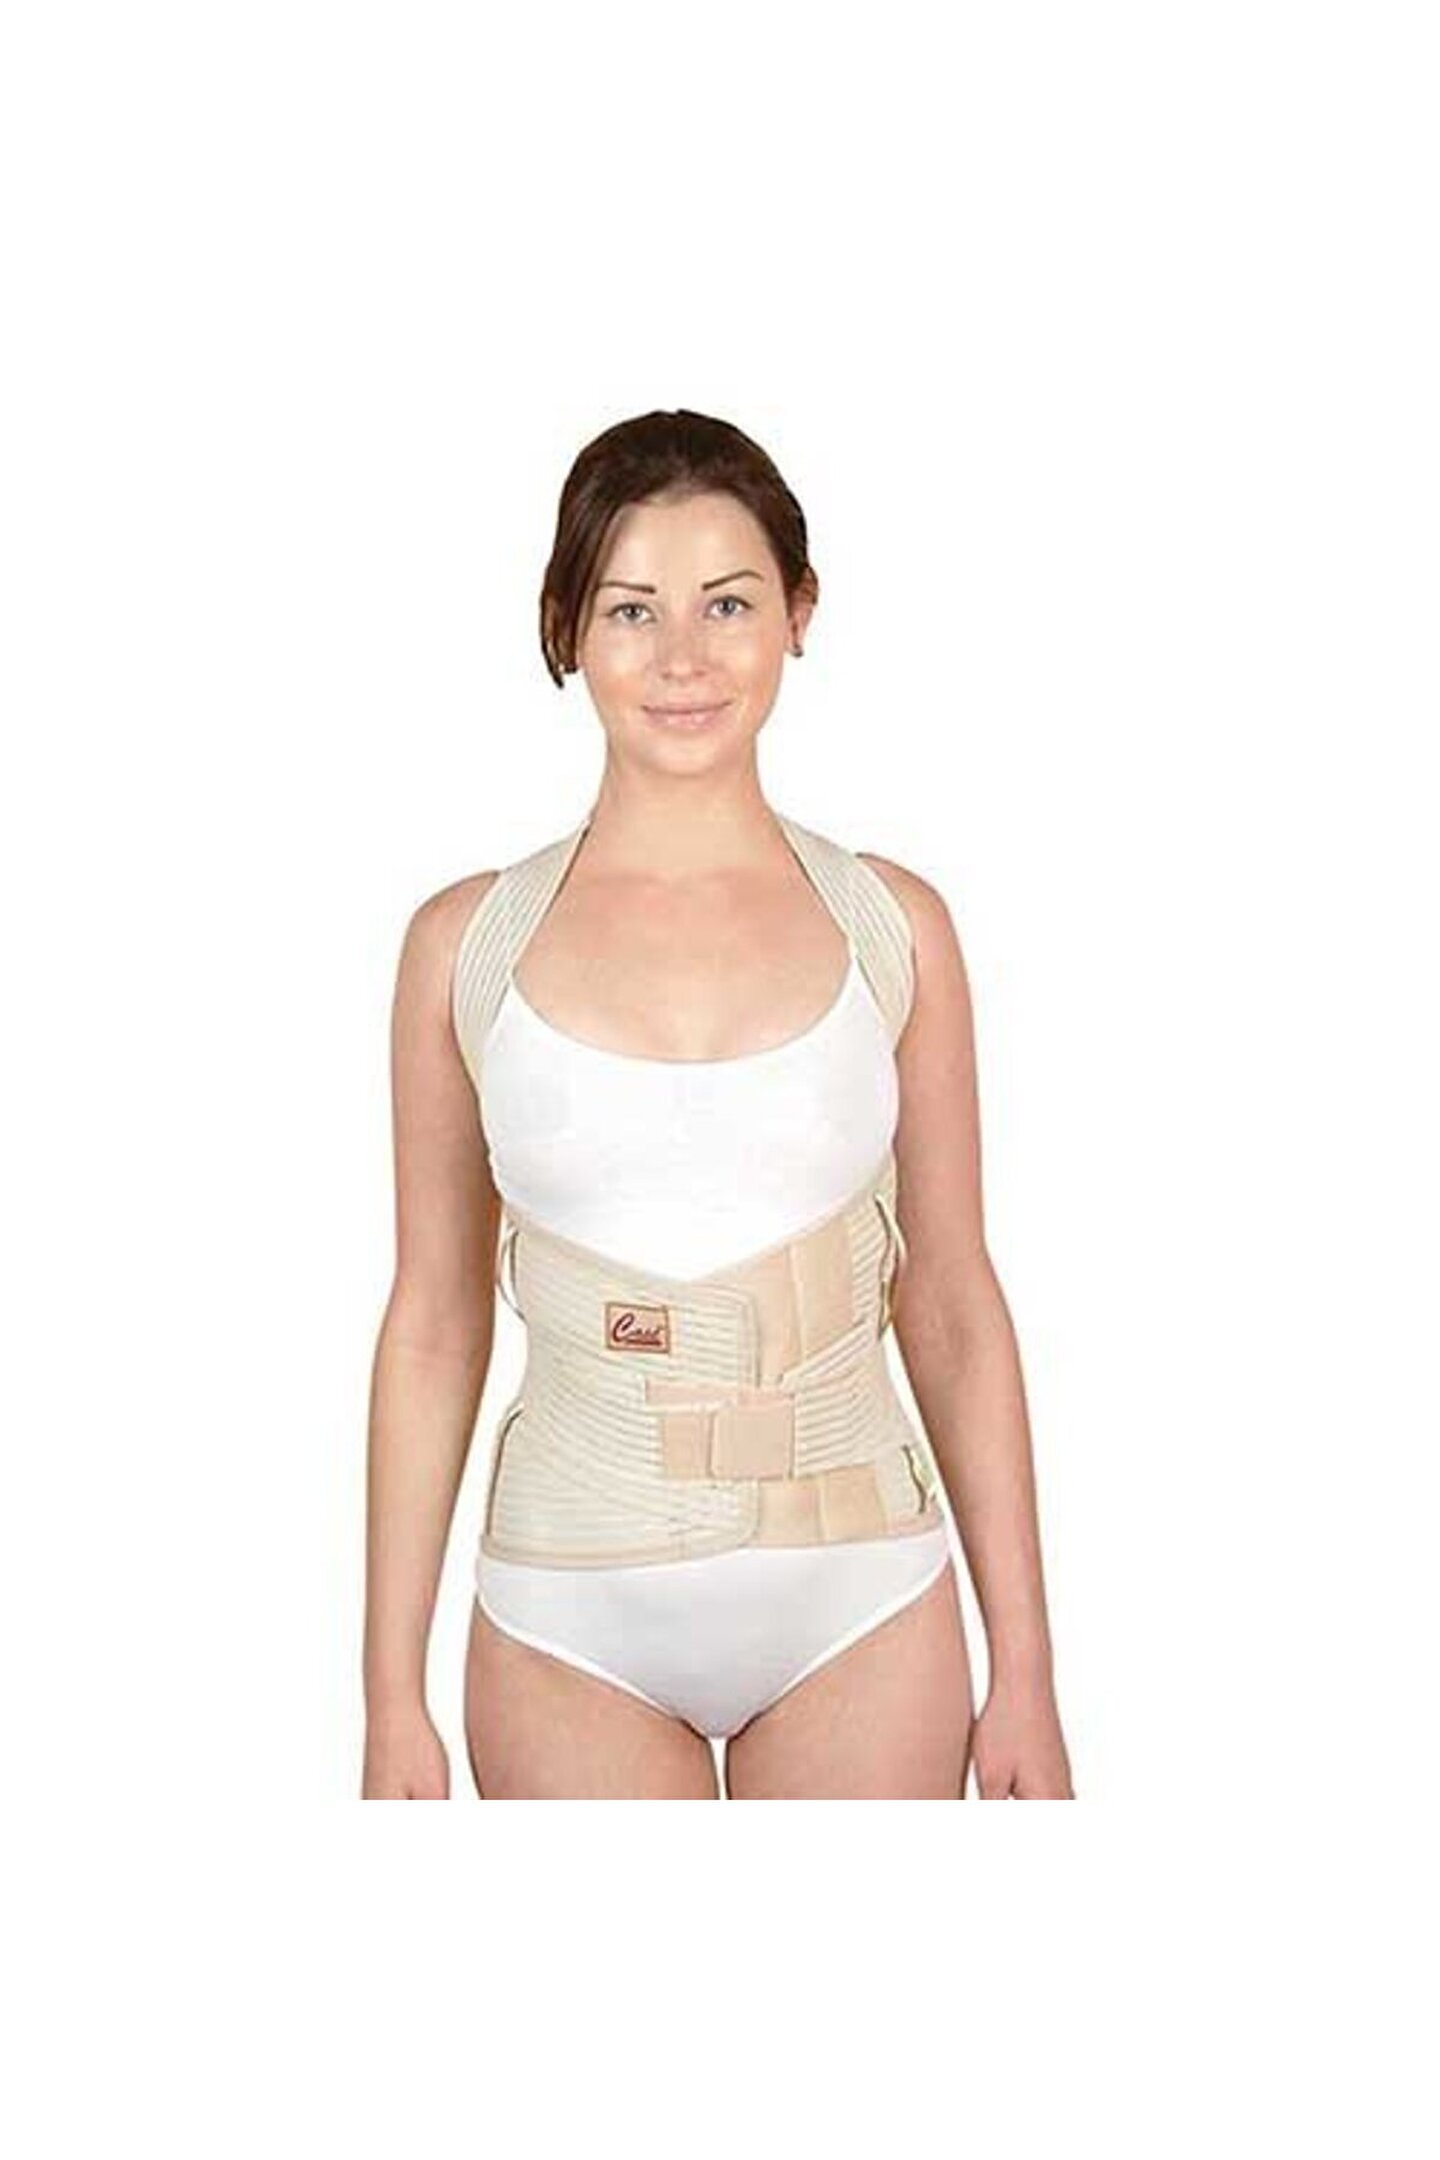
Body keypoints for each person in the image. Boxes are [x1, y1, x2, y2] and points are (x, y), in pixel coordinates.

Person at [361, 408, 1073, 1799]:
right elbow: (434, 1323)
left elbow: (951, 1306)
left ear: (800, 614)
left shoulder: (896, 928)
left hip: (861, 1603)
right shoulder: (463, 947)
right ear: (565, 629)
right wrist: (390, 1694)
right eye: (631, 609)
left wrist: (1030, 1674)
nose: (682, 656)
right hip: (568, 1620)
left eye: (728, 603)